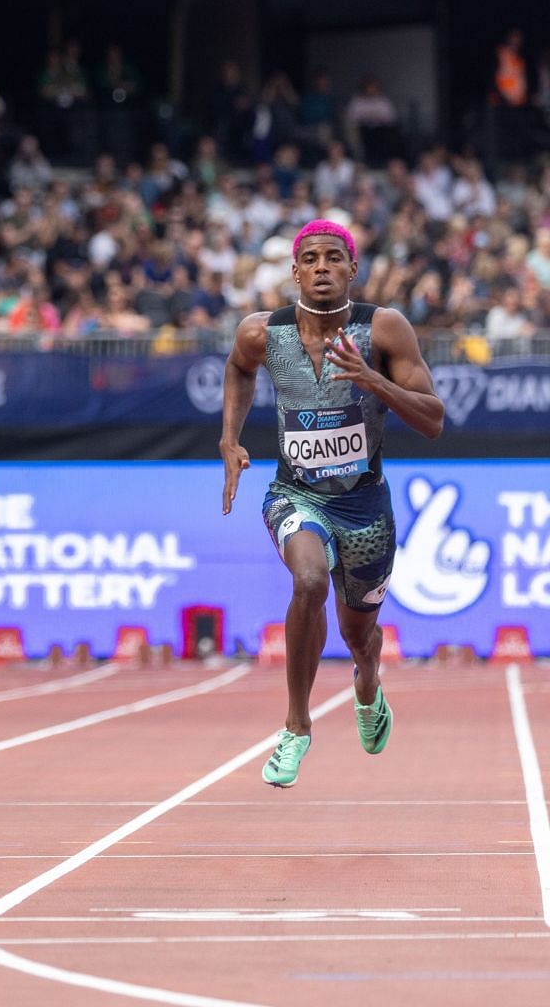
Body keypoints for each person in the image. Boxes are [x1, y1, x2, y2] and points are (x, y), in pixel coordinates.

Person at [220, 219, 445, 790]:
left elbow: (434, 419)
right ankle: (297, 726)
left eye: (334, 258)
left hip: (366, 508)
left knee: (359, 634)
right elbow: (238, 370)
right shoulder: (261, 333)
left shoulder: (385, 329)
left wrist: (375, 383)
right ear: (295, 271)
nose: (322, 267)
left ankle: (367, 682)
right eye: (311, 258)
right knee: (309, 582)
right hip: (295, 493)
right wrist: (230, 438)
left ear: (352, 270)